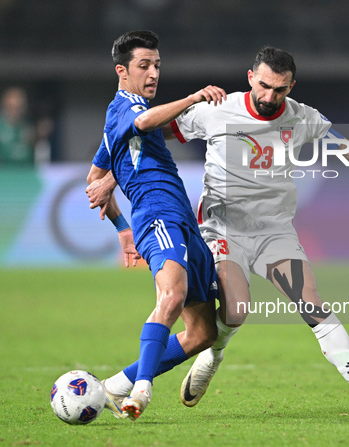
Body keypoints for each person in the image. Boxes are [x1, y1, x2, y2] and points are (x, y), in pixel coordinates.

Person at [88, 46, 349, 418]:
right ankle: (214, 353)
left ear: (291, 86)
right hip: (222, 228)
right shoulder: (217, 109)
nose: (269, 96)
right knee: (235, 311)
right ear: (250, 78)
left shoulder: (302, 118)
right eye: (263, 86)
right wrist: (113, 177)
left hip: (274, 231)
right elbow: (143, 138)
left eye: (279, 89)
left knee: (312, 304)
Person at [85, 29, 226, 420]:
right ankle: (142, 389)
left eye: (157, 66)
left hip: (183, 220)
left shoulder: (117, 122)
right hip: (158, 214)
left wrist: (121, 228)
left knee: (203, 333)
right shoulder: (124, 108)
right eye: (144, 66)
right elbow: (145, 121)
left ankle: (115, 386)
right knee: (172, 295)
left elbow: (94, 179)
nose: (153, 74)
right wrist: (194, 98)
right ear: (122, 71)